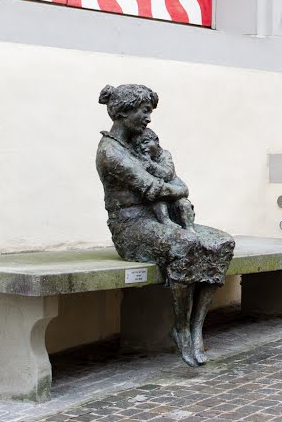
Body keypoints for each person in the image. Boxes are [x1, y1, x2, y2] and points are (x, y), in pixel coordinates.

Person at [95, 84, 235, 367]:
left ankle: (196, 327)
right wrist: (178, 189)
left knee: (222, 242)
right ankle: (180, 328)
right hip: (131, 228)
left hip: (162, 219)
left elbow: (172, 181)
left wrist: (176, 189)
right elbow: (155, 187)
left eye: (150, 113)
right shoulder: (111, 152)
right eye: (143, 112)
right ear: (123, 112)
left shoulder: (142, 142)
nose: (148, 119)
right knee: (186, 244)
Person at [136, 128, 196, 230]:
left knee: (184, 204)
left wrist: (151, 165)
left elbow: (168, 173)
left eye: (145, 142)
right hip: (160, 195)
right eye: (139, 145)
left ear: (156, 141)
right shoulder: (142, 160)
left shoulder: (165, 155)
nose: (142, 147)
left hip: (175, 190)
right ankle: (166, 221)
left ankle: (190, 228)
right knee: (158, 202)